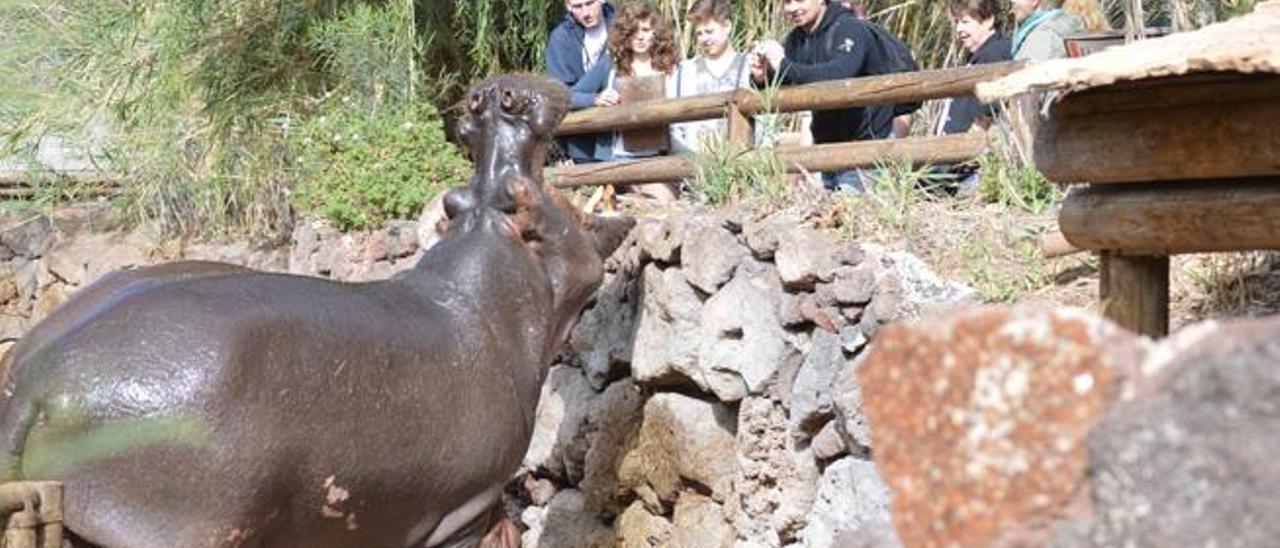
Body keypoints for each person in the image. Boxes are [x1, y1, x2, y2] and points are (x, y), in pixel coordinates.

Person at [751, 0, 896, 192]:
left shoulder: (850, 27)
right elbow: (791, 76)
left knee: (845, 212)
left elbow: (840, 73)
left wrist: (783, 64)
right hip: (825, 152)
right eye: (787, 2)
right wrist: (763, 77)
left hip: (866, 148)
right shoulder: (797, 39)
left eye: (799, 0)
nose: (792, 8)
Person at [586, 0, 681, 201]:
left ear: (656, 32)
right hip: (618, 157)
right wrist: (596, 98)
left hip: (658, 157)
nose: (640, 36)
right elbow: (571, 94)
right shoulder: (610, 65)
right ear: (624, 34)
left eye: (646, 29)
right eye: (633, 31)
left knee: (666, 198)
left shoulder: (672, 68)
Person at [669, 0, 754, 155]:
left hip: (743, 160)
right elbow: (674, 125)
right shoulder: (684, 71)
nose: (704, 39)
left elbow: (766, 118)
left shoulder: (749, 66)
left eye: (709, 31)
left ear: (727, 26)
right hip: (694, 162)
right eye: (699, 34)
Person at [546, 0, 616, 163]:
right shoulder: (561, 38)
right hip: (579, 130)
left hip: (620, 122)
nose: (585, 12)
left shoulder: (622, 26)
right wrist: (593, 99)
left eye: (589, 3)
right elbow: (558, 94)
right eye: (578, 7)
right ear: (568, 7)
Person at [938, 0, 1011, 135]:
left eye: (965, 22)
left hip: (970, 150)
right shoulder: (980, 56)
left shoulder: (997, 54)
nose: (959, 29)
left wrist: (971, 141)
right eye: (957, 22)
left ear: (988, 20)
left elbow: (990, 109)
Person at [1010, 0, 1085, 61]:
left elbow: (1029, 77)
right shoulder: (1065, 25)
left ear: (1034, 1)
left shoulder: (1041, 38)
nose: (1011, 9)